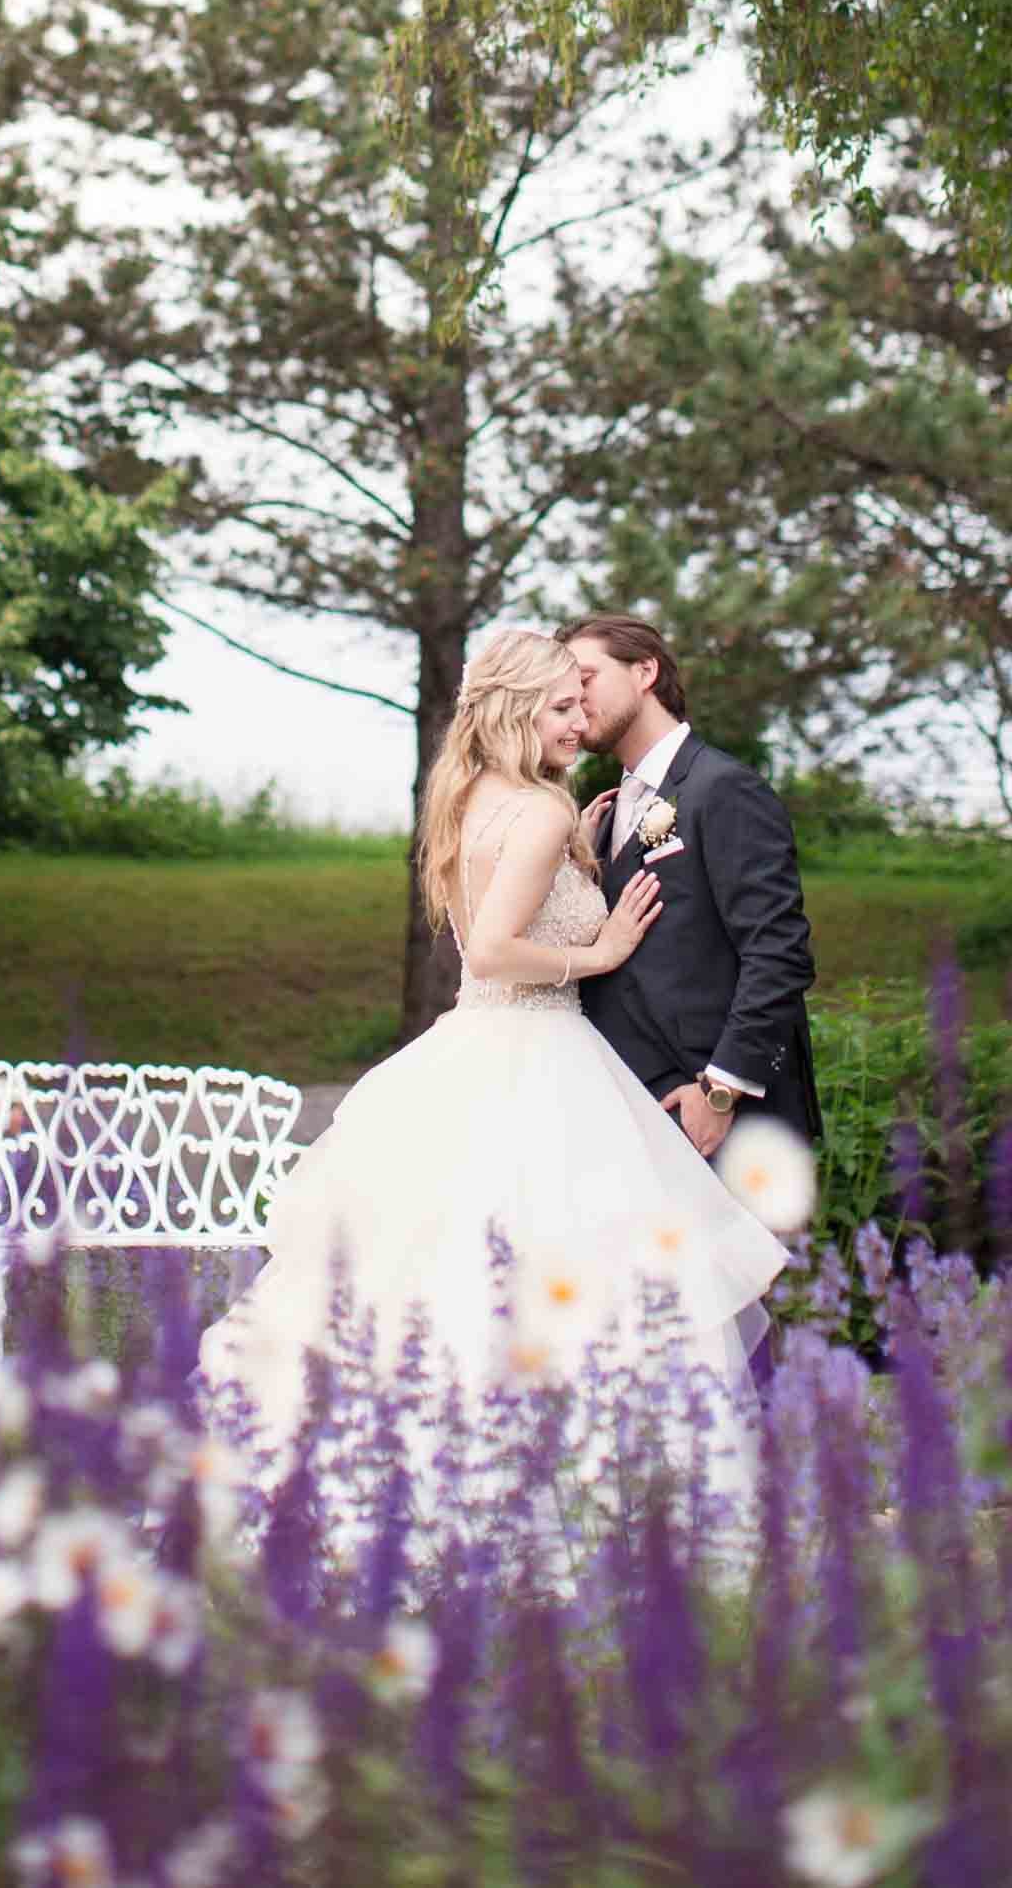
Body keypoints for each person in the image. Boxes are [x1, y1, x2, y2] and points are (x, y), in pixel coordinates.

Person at [197, 628, 787, 1486]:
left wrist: (576, 852)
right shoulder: (542, 812)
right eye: (559, 706)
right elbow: (495, 953)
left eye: (580, 701)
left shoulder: (475, 798)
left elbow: (493, 917)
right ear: (513, 711)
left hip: (471, 1052)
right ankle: (575, 1475)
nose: (577, 721)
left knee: (439, 1276)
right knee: (571, 1272)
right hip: (541, 1050)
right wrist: (604, 948)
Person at [559, 615, 822, 1157]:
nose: (573, 699)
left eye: (585, 678)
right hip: (633, 1103)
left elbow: (779, 951)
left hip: (717, 1116)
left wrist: (720, 1092)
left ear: (645, 671)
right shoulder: (606, 816)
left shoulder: (723, 788)